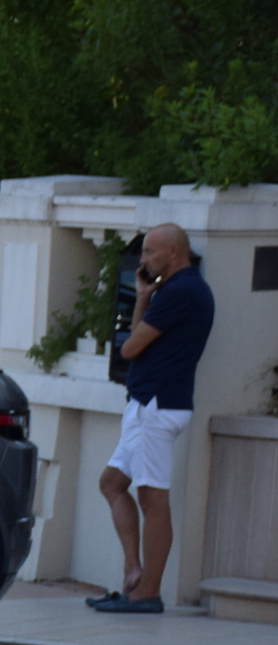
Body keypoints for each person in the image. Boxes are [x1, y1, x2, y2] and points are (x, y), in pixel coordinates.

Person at [88, 223, 214, 613]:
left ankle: (147, 593)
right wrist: (143, 296)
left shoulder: (180, 291)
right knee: (112, 483)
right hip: (149, 405)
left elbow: (130, 348)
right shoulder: (177, 289)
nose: (142, 261)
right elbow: (139, 341)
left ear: (174, 253)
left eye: (150, 253)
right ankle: (134, 573)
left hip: (156, 407)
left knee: (153, 499)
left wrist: (146, 301)